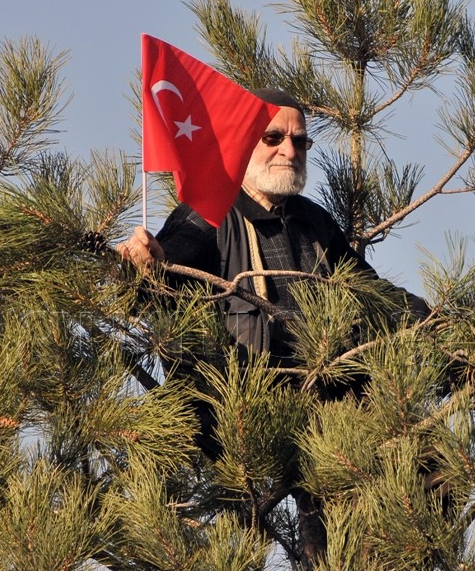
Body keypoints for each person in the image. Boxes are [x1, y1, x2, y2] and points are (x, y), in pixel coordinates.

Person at [117, 87, 429, 561]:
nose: (290, 150)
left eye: (300, 141)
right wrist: (147, 266)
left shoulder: (316, 223)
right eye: (273, 137)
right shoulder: (208, 212)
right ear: (243, 142)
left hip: (335, 418)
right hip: (250, 420)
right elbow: (167, 270)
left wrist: (437, 323)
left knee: (428, 473)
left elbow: (373, 295)